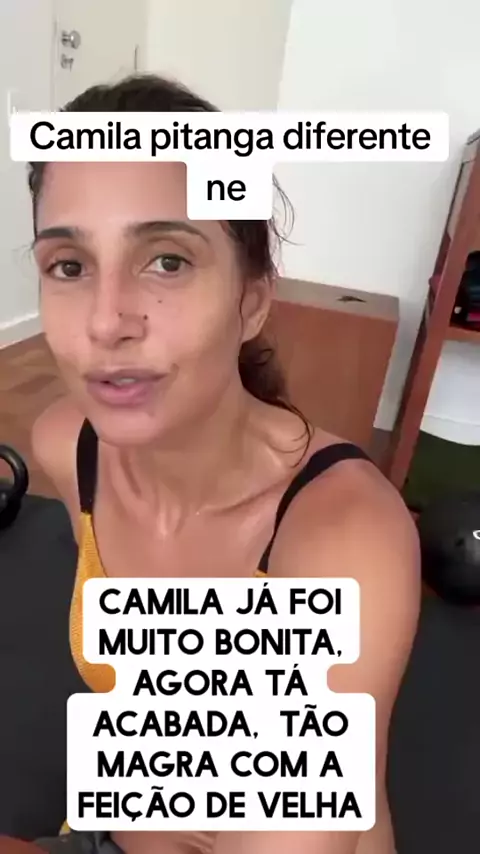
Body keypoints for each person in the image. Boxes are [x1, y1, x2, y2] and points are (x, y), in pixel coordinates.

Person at [29, 74, 420, 854]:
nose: (106, 322)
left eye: (167, 260)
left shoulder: (341, 537)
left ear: (251, 301)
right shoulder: (66, 446)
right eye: (69, 266)